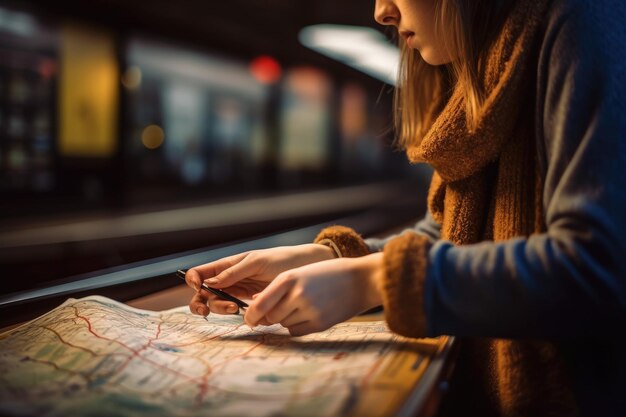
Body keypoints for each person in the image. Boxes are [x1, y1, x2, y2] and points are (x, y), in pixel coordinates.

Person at [185, 0, 626, 415]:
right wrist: (328, 257)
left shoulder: (582, 21)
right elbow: (446, 232)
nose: (381, 11)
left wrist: (372, 282)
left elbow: (598, 269)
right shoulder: (481, 62)